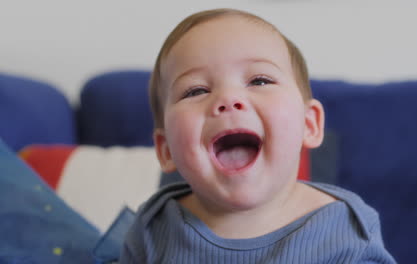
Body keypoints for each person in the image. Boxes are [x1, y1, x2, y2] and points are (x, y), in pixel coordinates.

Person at [120, 8, 396, 263]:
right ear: (166, 149)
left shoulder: (347, 233)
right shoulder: (153, 226)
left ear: (308, 124)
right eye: (196, 91)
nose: (228, 98)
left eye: (259, 80)